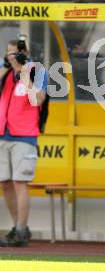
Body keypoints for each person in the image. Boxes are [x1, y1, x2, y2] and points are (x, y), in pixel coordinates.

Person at [0, 38, 48, 247]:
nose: (12, 57)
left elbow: (37, 99)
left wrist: (23, 71)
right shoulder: (4, 72)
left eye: (15, 53)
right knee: (5, 183)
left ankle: (21, 229)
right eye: (8, 53)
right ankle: (15, 226)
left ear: (24, 53)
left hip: (24, 135)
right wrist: (7, 67)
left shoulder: (37, 71)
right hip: (3, 133)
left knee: (20, 182)